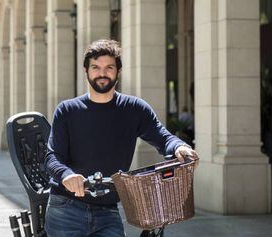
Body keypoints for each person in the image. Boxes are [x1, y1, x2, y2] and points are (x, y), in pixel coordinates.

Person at [44, 39, 199, 237]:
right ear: (86, 70)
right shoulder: (67, 110)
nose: (102, 73)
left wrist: (179, 147)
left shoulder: (134, 109)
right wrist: (66, 175)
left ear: (118, 71)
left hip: (108, 209)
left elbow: (162, 136)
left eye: (109, 67)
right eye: (95, 67)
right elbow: (52, 156)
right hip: (66, 207)